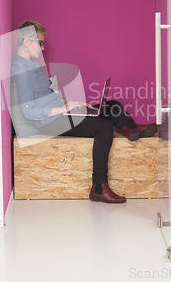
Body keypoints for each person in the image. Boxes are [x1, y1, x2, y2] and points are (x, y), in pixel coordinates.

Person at [11, 20, 157, 204]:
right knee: (103, 127)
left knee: (111, 105)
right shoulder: (21, 71)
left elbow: (46, 95)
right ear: (26, 41)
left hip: (61, 113)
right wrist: (65, 109)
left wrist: (73, 104)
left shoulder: (30, 66)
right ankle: (98, 187)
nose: (42, 48)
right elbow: (29, 110)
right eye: (40, 43)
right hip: (50, 123)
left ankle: (130, 129)